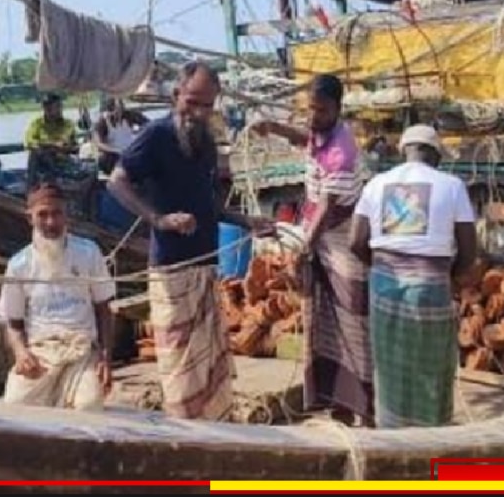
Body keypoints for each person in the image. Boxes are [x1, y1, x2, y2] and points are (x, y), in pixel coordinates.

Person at [106, 60, 275, 421]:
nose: (198, 112)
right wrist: (159, 219)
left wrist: (247, 220)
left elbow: (208, 204)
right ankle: (185, 439)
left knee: (211, 371)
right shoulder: (155, 135)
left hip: (207, 267)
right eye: (192, 102)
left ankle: (217, 437)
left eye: (207, 105)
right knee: (180, 373)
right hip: (171, 270)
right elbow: (116, 181)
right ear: (175, 95)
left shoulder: (206, 143)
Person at [251, 74, 373, 426]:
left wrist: (302, 248)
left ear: (338, 109)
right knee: (319, 320)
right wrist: (273, 126)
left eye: (321, 110)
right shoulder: (321, 134)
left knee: (352, 319)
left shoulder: (341, 148)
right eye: (311, 109)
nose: (314, 116)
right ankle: (332, 400)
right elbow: (305, 138)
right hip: (319, 237)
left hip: (340, 240)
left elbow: (326, 207)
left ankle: (363, 404)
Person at [349, 124, 478, 428]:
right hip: (430, 288)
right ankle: (430, 437)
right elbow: (469, 250)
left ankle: (392, 433)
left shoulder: (376, 184)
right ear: (435, 154)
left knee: (390, 366)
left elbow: (356, 241)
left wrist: (380, 268)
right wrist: (450, 278)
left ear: (403, 151)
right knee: (430, 369)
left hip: (384, 287)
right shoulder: (452, 185)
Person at [0, 183, 116, 411]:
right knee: (15, 405)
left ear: (66, 215)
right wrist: (21, 353)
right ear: (29, 218)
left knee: (88, 405)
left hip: (81, 351)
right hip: (41, 353)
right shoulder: (19, 265)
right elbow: (13, 322)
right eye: (42, 215)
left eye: (57, 213)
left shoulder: (88, 252)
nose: (51, 222)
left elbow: (104, 308)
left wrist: (105, 357)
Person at [24, 93, 79, 187]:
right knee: (35, 154)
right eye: (47, 107)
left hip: (63, 158)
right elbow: (29, 142)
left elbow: (74, 146)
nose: (51, 110)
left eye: (57, 107)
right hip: (43, 159)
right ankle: (31, 187)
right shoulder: (37, 124)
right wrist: (51, 145)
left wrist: (63, 148)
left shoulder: (68, 124)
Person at [92, 97, 148, 176]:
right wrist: (116, 151)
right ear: (108, 110)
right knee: (106, 160)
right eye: (114, 110)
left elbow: (148, 125)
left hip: (131, 152)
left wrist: (141, 136)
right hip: (113, 156)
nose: (117, 113)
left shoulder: (129, 115)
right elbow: (99, 144)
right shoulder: (102, 122)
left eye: (120, 109)